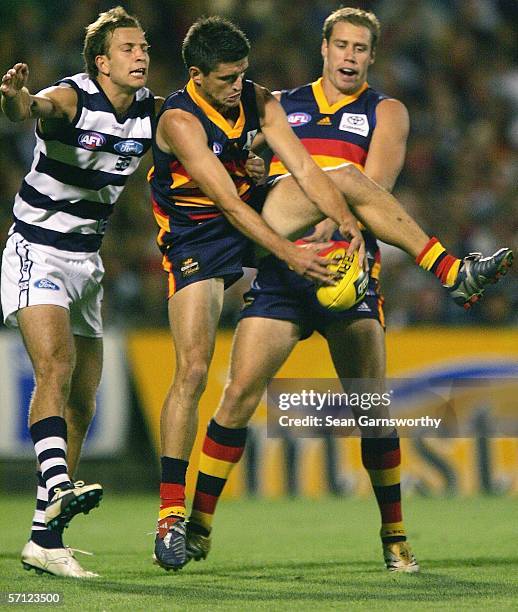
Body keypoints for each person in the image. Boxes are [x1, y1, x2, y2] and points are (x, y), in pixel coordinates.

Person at [149, 15, 512, 571]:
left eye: (360, 48)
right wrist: (263, 183)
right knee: (237, 393)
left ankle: (395, 537)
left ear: (371, 56)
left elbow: (377, 188)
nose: (349, 55)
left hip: (347, 267)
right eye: (341, 44)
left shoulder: (384, 111)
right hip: (282, 268)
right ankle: (195, 524)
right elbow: (263, 178)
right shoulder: (277, 101)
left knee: (371, 408)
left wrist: (339, 224)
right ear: (323, 48)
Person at [0, 6, 161, 578]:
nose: (140, 55)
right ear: (101, 61)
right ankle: (60, 481)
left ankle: (44, 537)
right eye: (127, 48)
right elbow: (33, 109)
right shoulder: (72, 97)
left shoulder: (152, 114)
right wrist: (16, 97)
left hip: (87, 262)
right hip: (35, 249)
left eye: (143, 47)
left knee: (84, 398)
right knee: (56, 366)